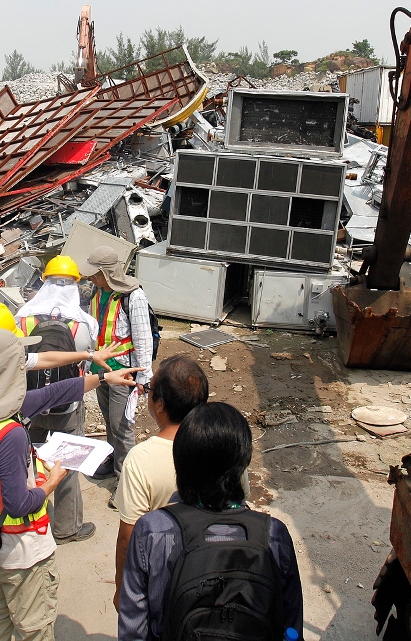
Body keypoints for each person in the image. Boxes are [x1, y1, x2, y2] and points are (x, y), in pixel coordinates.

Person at [0, 301, 125, 641]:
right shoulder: (11, 434)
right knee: (34, 627)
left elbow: (52, 391)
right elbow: (20, 503)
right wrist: (52, 481)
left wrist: (102, 377)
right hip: (20, 549)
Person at [117, 403, 303, 641]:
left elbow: (134, 629)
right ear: (242, 466)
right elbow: (291, 623)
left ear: (180, 463)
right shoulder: (273, 535)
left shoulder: (152, 531)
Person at [14, 255, 99, 546]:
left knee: (28, 461)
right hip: (69, 403)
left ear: (45, 282)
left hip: (30, 403)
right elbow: (88, 362)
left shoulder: (22, 318)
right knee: (67, 462)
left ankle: (30, 518)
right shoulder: (84, 324)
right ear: (75, 285)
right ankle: (67, 528)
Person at [112, 355, 208, 611]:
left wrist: (121, 589)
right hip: (213, 566)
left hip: (163, 576)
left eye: (150, 389)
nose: (145, 391)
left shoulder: (141, 459)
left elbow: (127, 538)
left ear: (161, 405)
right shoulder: (221, 444)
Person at [81, 246, 155, 484]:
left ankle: (126, 482)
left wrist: (144, 377)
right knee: (110, 422)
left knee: (122, 426)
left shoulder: (133, 296)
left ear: (108, 272)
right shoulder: (97, 290)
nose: (91, 277)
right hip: (101, 370)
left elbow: (143, 337)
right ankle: (114, 461)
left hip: (124, 372)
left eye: (96, 273)